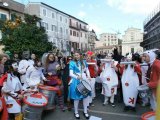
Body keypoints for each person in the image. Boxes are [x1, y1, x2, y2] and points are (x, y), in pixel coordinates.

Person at [69, 52, 91, 119]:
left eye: (77, 55)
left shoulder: (84, 61)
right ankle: (76, 112)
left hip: (84, 79)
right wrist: (77, 77)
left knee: (85, 97)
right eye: (75, 55)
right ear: (74, 56)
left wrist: (89, 76)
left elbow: (87, 70)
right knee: (77, 98)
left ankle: (85, 111)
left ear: (80, 55)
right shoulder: (72, 62)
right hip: (76, 80)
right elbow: (71, 73)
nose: (76, 56)